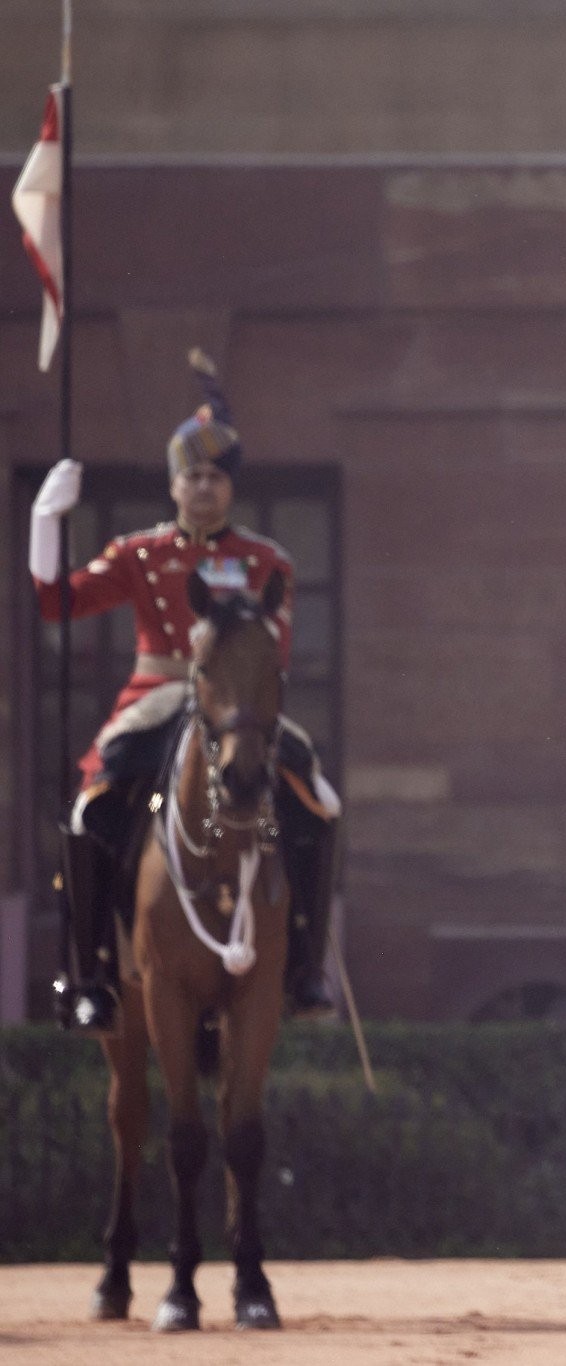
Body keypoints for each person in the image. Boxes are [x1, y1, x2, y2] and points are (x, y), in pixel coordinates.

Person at [28, 350, 340, 1032]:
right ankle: (92, 975)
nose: (203, 487)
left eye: (215, 477)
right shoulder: (140, 553)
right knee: (89, 810)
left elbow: (277, 654)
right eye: (192, 476)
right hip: (159, 691)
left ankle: (306, 969)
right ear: (174, 485)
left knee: (318, 803)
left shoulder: (267, 562)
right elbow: (57, 603)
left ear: (231, 488)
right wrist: (46, 522)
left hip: (237, 704)